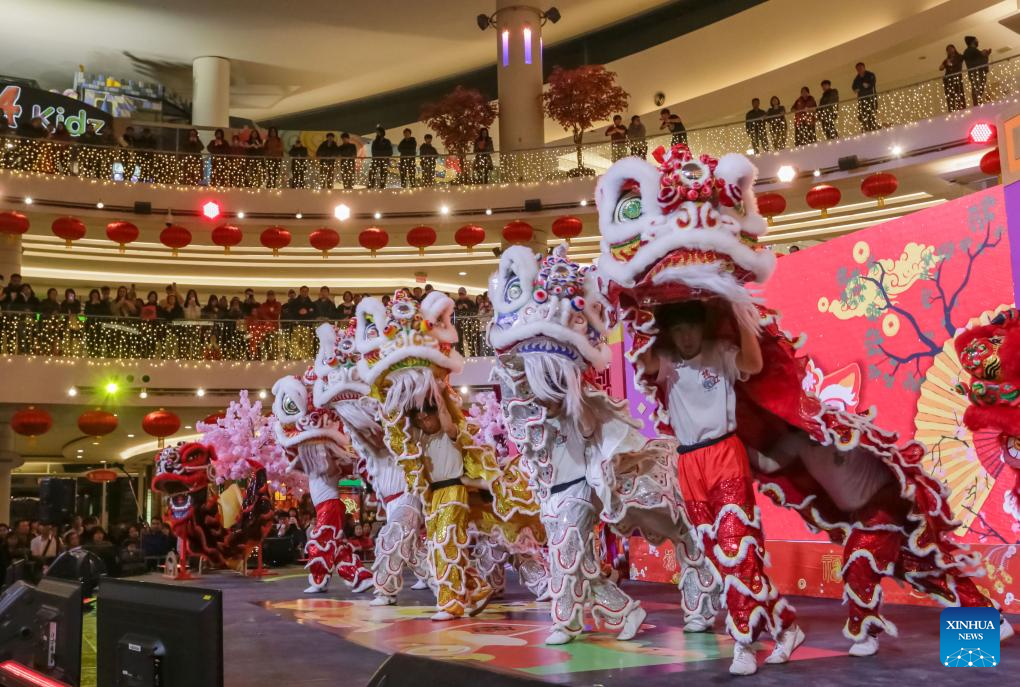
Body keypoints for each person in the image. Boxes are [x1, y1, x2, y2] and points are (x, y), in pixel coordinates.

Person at [639, 301, 802, 676]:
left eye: (691, 327)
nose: (686, 336)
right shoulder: (664, 359)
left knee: (736, 550)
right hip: (689, 465)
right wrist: (641, 313)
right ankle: (787, 626)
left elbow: (754, 366)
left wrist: (741, 314)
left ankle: (744, 644)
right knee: (721, 560)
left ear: (703, 326)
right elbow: (644, 364)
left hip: (725, 455)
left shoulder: (722, 352)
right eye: (677, 329)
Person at [963, 35, 992, 106]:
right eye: (976, 40)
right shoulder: (971, 51)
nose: (978, 41)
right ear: (973, 41)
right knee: (977, 90)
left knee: (978, 90)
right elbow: (979, 62)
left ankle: (977, 104)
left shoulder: (968, 51)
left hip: (975, 73)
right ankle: (977, 106)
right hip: (977, 73)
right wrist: (985, 55)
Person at [852, 62, 878, 132]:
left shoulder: (870, 75)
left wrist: (862, 88)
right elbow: (854, 88)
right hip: (861, 99)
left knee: (870, 114)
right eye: (858, 69)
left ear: (864, 67)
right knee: (862, 115)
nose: (859, 70)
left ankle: (872, 128)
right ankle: (866, 128)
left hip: (870, 98)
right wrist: (861, 87)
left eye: (860, 68)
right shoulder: (857, 78)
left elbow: (870, 85)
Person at [940, 44, 967, 112]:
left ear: (954, 49)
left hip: (957, 78)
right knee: (950, 96)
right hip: (948, 80)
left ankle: (961, 108)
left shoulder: (959, 57)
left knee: (959, 93)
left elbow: (963, 59)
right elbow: (940, 68)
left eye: (950, 49)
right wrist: (946, 62)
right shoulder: (946, 60)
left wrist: (951, 63)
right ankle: (951, 110)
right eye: (948, 50)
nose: (949, 51)